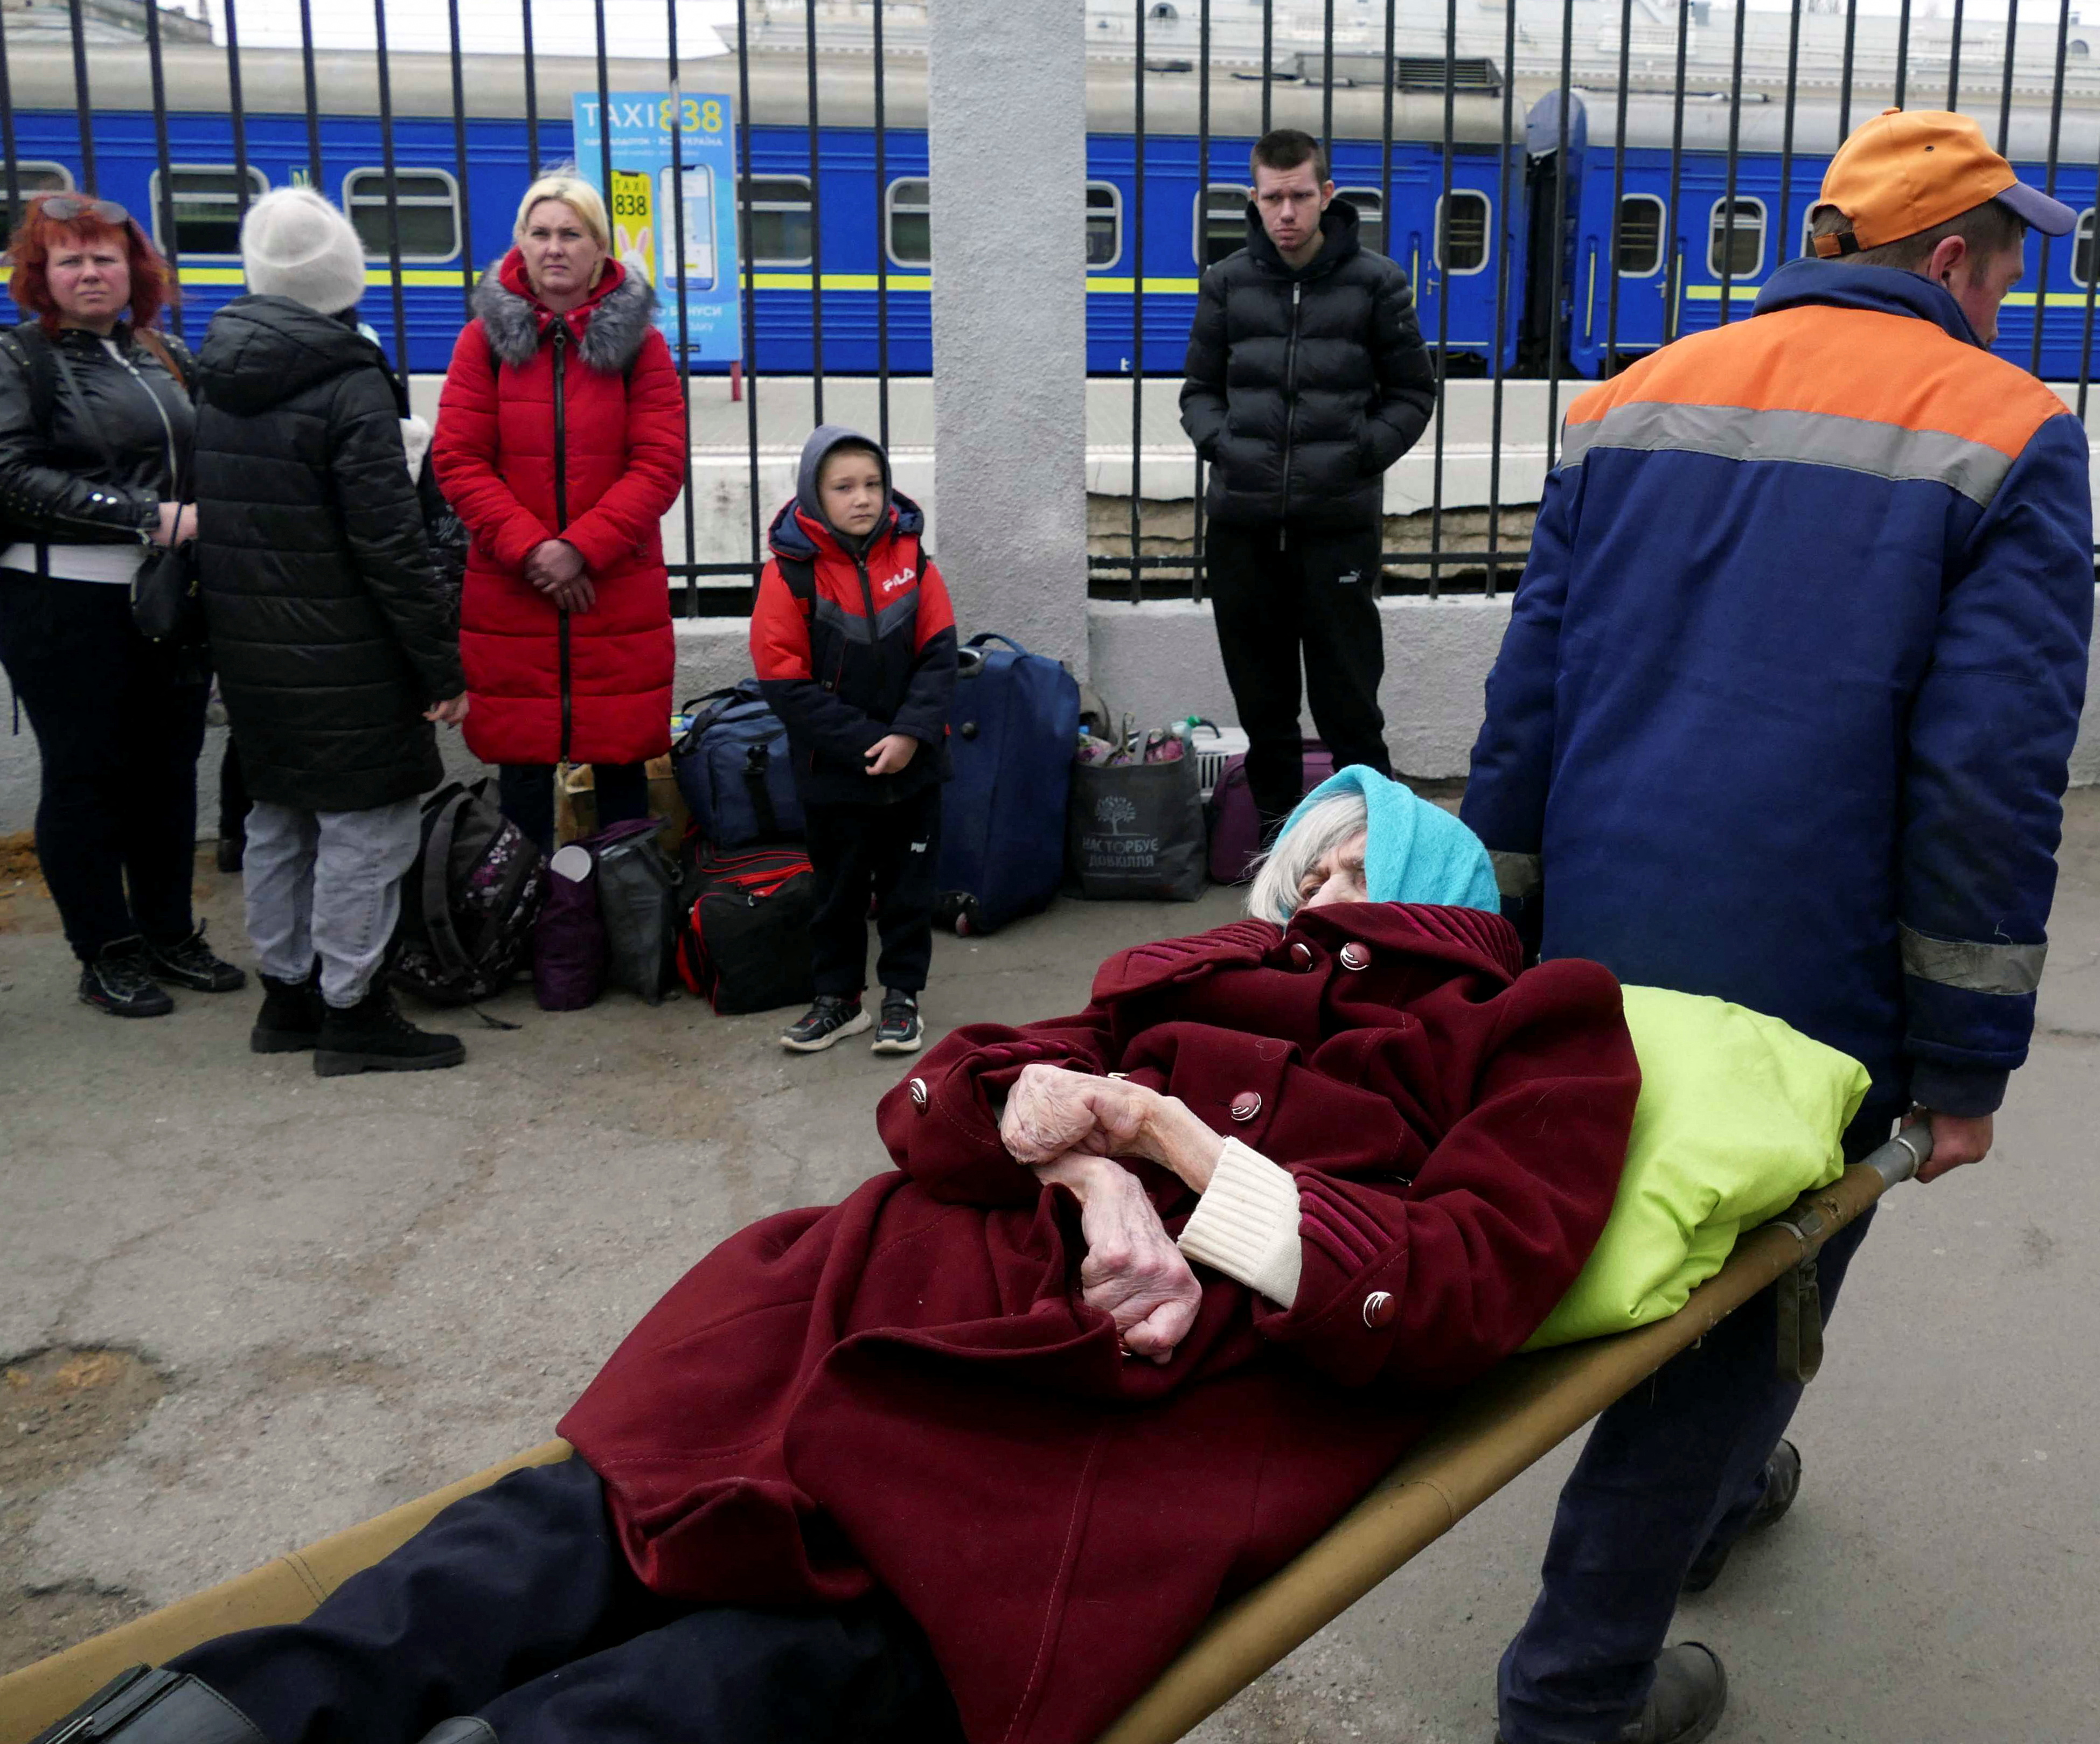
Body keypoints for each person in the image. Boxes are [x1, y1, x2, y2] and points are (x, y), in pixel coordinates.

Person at [42, 773, 1636, 1744]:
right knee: (543, 1537)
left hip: (1099, 1420)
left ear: (1436, 880)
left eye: (1364, 858)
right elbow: (934, 1098)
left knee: (755, 1679)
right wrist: (1086, 1160)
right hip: (869, 1302)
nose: (1321, 883)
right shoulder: (1180, 962)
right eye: (1307, 858)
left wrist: (1172, 1149)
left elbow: (1448, 1285)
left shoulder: (1525, 1024)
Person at [1462, 108, 2094, 1744]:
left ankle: (1722, 1499)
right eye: (2003, 269)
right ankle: (1574, 1688)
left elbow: (1522, 699)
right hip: (1810, 968)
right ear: (1947, 261)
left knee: (1666, 1243)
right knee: (1737, 1296)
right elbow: (1984, 776)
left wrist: (1500, 933)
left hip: (1597, 932)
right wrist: (1964, 1059)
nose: (2004, 304)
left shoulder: (1626, 400)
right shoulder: (2005, 429)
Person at [193, 187, 471, 1076]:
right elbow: (390, 543)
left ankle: (287, 996)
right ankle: (354, 1009)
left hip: (252, 649)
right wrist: (439, 664)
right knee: (368, 830)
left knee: (279, 820)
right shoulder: (349, 379)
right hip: (348, 654)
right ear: (342, 275)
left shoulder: (220, 371)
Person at [0, 189, 245, 1017]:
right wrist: (146, 515)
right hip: (61, 601)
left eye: (104, 256)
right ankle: (104, 948)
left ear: (133, 268)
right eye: (69, 259)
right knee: (85, 778)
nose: (90, 272)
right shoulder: (20, 359)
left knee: (169, 775)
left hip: (165, 601)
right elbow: (11, 475)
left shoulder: (163, 352)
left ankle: (169, 932)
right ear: (41, 274)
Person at [1179, 128, 1437, 848]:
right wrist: (1225, 447)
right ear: (1253, 200)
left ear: (1326, 195)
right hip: (1242, 530)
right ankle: (1277, 852)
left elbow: (1414, 391)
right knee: (1264, 711)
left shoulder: (1376, 282)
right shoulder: (1226, 283)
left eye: (1300, 196)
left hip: (1337, 531)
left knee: (1350, 706)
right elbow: (1198, 392)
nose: (1286, 212)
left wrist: (1360, 455)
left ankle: (1372, 850)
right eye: (1272, 198)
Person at [432, 172, 686, 854]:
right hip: (514, 593)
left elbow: (660, 463)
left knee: (622, 771)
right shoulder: (481, 343)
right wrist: (538, 552)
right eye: (540, 233)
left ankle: (624, 934)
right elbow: (457, 460)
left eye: (571, 234)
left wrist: (581, 548)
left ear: (600, 248)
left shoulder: (643, 348)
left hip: (613, 590)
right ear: (520, 243)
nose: (554, 248)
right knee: (523, 782)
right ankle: (532, 931)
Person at [751, 426, 957, 1056]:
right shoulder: (789, 575)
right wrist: (872, 742)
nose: (862, 498)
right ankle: (838, 1001)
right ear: (814, 494)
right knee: (837, 893)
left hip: (914, 768)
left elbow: (940, 658)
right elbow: (783, 683)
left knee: (907, 890)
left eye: (873, 484)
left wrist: (909, 736)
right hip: (834, 773)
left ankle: (902, 997)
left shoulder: (914, 562)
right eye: (843, 487)